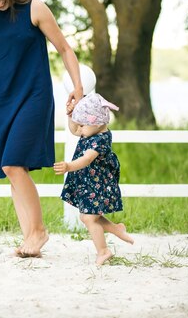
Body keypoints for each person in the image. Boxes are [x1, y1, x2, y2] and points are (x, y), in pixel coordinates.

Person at [0, 0, 84, 257]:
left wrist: (78, 88)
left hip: (33, 95)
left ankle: (39, 231)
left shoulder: (34, 7)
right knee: (10, 170)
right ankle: (30, 238)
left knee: (13, 163)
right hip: (0, 100)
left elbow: (65, 49)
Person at [54, 93, 134, 265]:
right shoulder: (90, 130)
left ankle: (103, 251)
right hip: (89, 182)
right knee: (87, 217)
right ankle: (116, 229)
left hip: (99, 184)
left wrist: (69, 166)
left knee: (89, 218)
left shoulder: (100, 140)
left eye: (82, 124)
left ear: (96, 122)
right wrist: (70, 117)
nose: (79, 129)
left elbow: (87, 159)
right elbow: (74, 130)